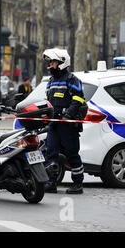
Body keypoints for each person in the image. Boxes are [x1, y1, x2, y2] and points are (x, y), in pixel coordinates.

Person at [43, 48, 85, 195]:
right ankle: (51, 182)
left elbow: (78, 98)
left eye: (53, 62)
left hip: (68, 123)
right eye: (50, 62)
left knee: (72, 153)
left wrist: (68, 114)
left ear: (62, 63)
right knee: (51, 152)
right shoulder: (51, 81)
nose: (51, 64)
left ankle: (78, 183)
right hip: (54, 123)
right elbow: (48, 101)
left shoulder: (71, 79)